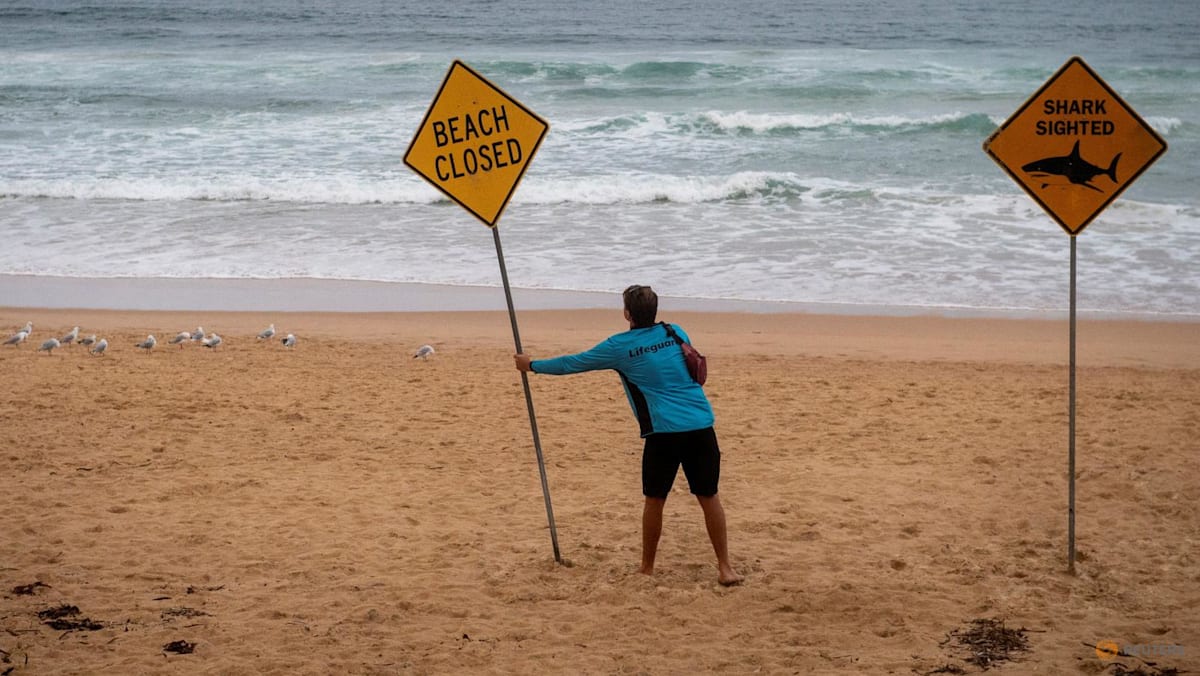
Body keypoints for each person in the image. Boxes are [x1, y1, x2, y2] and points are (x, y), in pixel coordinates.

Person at [514, 284, 743, 586]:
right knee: (708, 496)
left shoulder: (619, 347)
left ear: (626, 313)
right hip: (701, 423)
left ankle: (647, 569)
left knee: (655, 498)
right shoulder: (675, 332)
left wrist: (532, 365)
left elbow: (575, 363)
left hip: (664, 432)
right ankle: (725, 568)